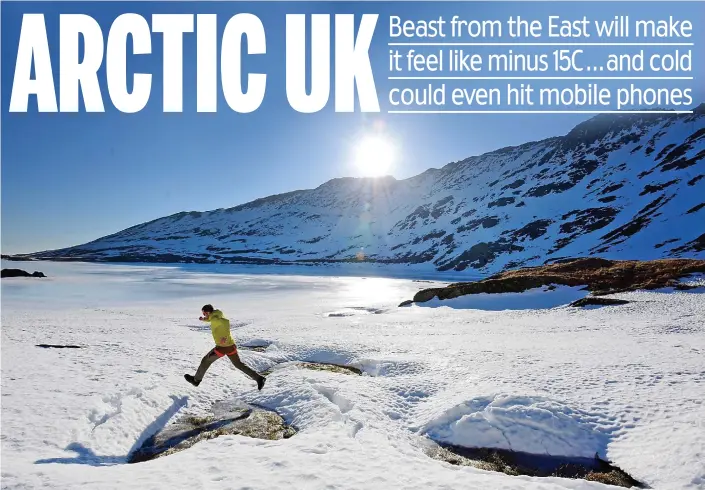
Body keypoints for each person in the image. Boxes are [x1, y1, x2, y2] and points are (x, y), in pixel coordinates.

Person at [184, 304, 266, 390]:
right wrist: (203, 319)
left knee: (205, 361)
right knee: (238, 364)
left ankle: (196, 380)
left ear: (208, 312)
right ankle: (259, 378)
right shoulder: (216, 314)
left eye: (204, 314)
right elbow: (210, 319)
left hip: (222, 347)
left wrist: (225, 337)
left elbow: (226, 322)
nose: (204, 315)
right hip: (231, 345)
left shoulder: (216, 319)